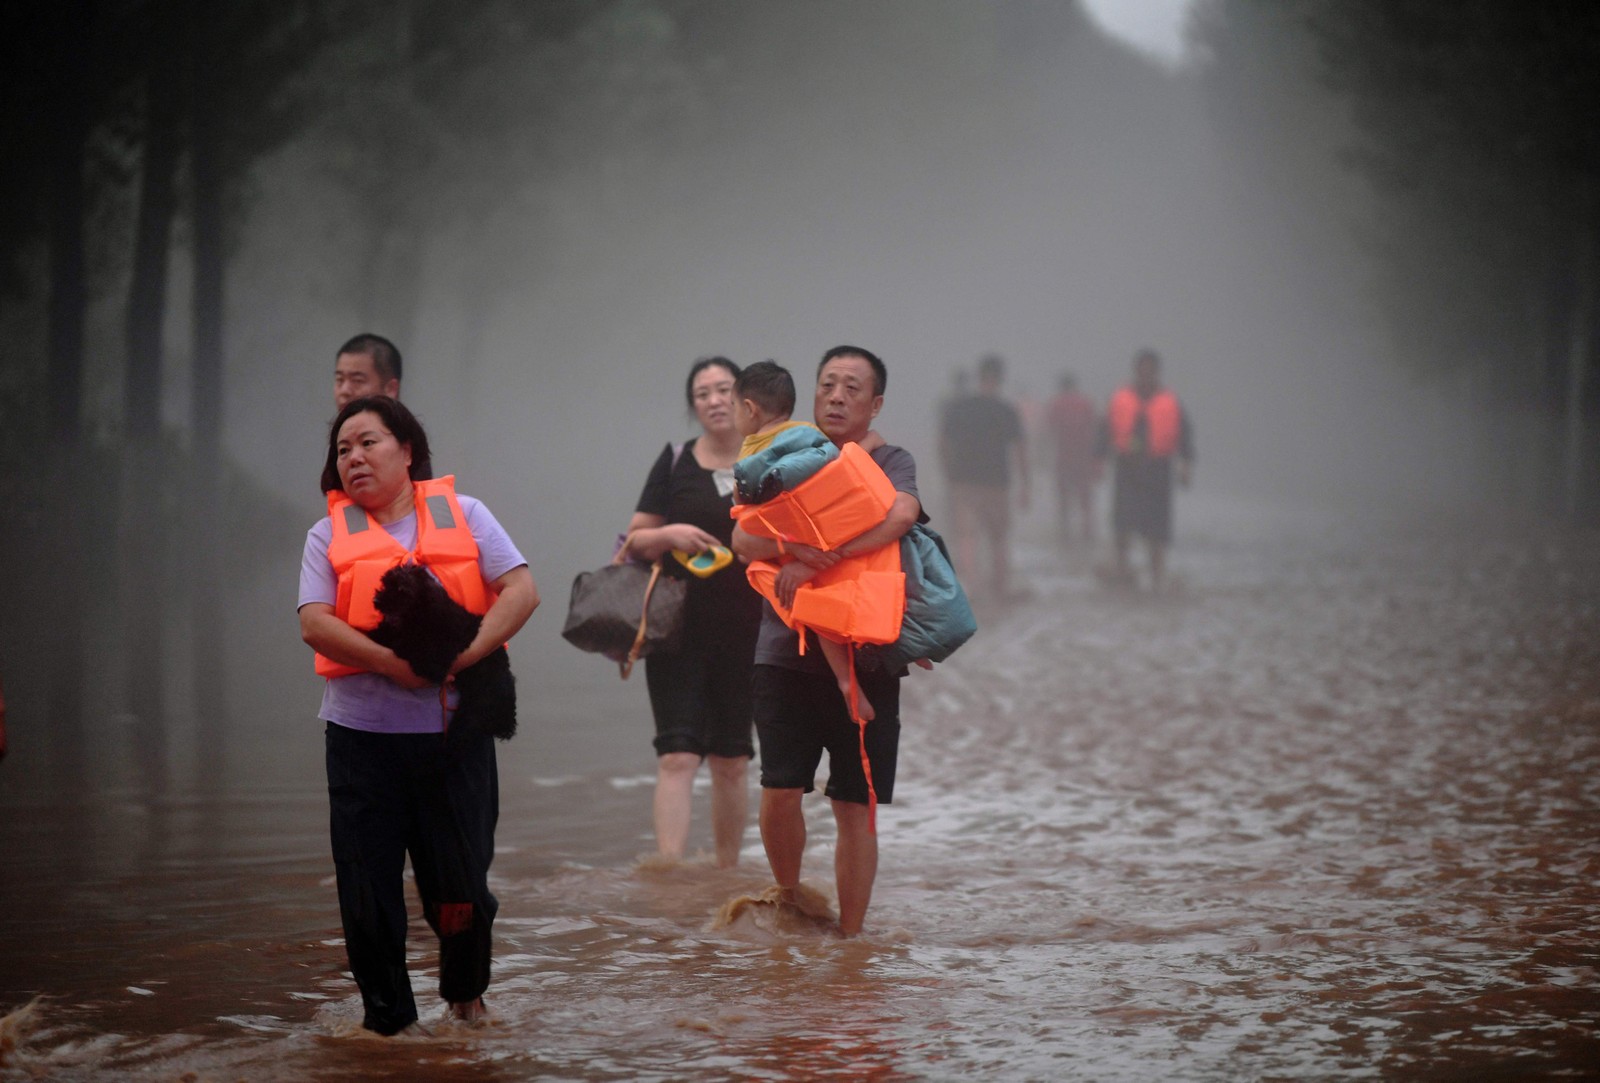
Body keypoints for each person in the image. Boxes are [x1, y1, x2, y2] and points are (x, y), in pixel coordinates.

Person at [297, 395, 538, 1034]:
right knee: (367, 897)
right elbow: (314, 622)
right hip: (361, 744)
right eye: (343, 450)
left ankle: (466, 1002)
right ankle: (390, 1029)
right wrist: (387, 663)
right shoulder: (327, 535)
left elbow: (521, 589)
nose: (354, 458)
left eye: (368, 443)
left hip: (452, 742)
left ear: (407, 452)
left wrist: (466, 655)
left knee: (460, 893)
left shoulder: (467, 515)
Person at [731, 345, 923, 937]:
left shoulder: (892, 460)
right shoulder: (788, 452)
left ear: (875, 403)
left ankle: (852, 939)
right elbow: (743, 541)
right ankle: (789, 899)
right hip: (784, 648)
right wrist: (796, 551)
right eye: (828, 385)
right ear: (813, 395)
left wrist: (825, 557)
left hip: (868, 652)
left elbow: (900, 516)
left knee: (854, 804)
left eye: (852, 388)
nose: (837, 397)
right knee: (780, 788)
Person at [623, 356, 763, 868]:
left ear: (744, 398)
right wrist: (668, 535)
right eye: (702, 393)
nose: (714, 400)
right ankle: (668, 873)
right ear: (693, 405)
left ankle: (727, 871)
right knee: (677, 754)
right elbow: (635, 539)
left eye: (724, 389)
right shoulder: (675, 459)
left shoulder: (767, 458)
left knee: (731, 759)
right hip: (676, 629)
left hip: (748, 630)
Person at [730, 360, 873, 721]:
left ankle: (844, 680)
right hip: (825, 537)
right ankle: (850, 678)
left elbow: (744, 506)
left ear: (750, 409)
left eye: (734, 408)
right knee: (831, 615)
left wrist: (796, 550)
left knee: (816, 611)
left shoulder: (755, 448)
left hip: (806, 541)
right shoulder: (807, 433)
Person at [1096, 348, 1194, 591]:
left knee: (1157, 531)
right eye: (1142, 369)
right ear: (1135, 370)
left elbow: (1185, 435)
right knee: (1122, 525)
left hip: (1158, 470)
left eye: (1151, 369)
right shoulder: (1120, 398)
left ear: (1157, 372)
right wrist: (1098, 460)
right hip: (1127, 468)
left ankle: (1157, 578)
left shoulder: (1170, 401)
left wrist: (1185, 464)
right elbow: (1104, 429)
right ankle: (1122, 572)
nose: (1146, 374)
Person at [939, 353, 1029, 601]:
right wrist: (1025, 485)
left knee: (967, 535)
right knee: (998, 536)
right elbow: (1020, 450)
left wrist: (949, 473)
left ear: (979, 377)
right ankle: (999, 587)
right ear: (1000, 379)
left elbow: (944, 443)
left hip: (964, 482)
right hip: (996, 484)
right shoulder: (1007, 411)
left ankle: (974, 588)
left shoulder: (959, 408)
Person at [333, 333, 432, 479]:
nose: (344, 390)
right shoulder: (340, 437)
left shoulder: (404, 439)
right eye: (339, 380)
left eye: (357, 380)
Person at [1044, 371, 1100, 544]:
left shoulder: (1056, 404)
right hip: (1083, 456)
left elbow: (1049, 429)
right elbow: (1095, 428)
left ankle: (1065, 532)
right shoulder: (1086, 403)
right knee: (1085, 498)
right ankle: (1087, 532)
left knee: (1064, 498)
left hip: (1064, 456)